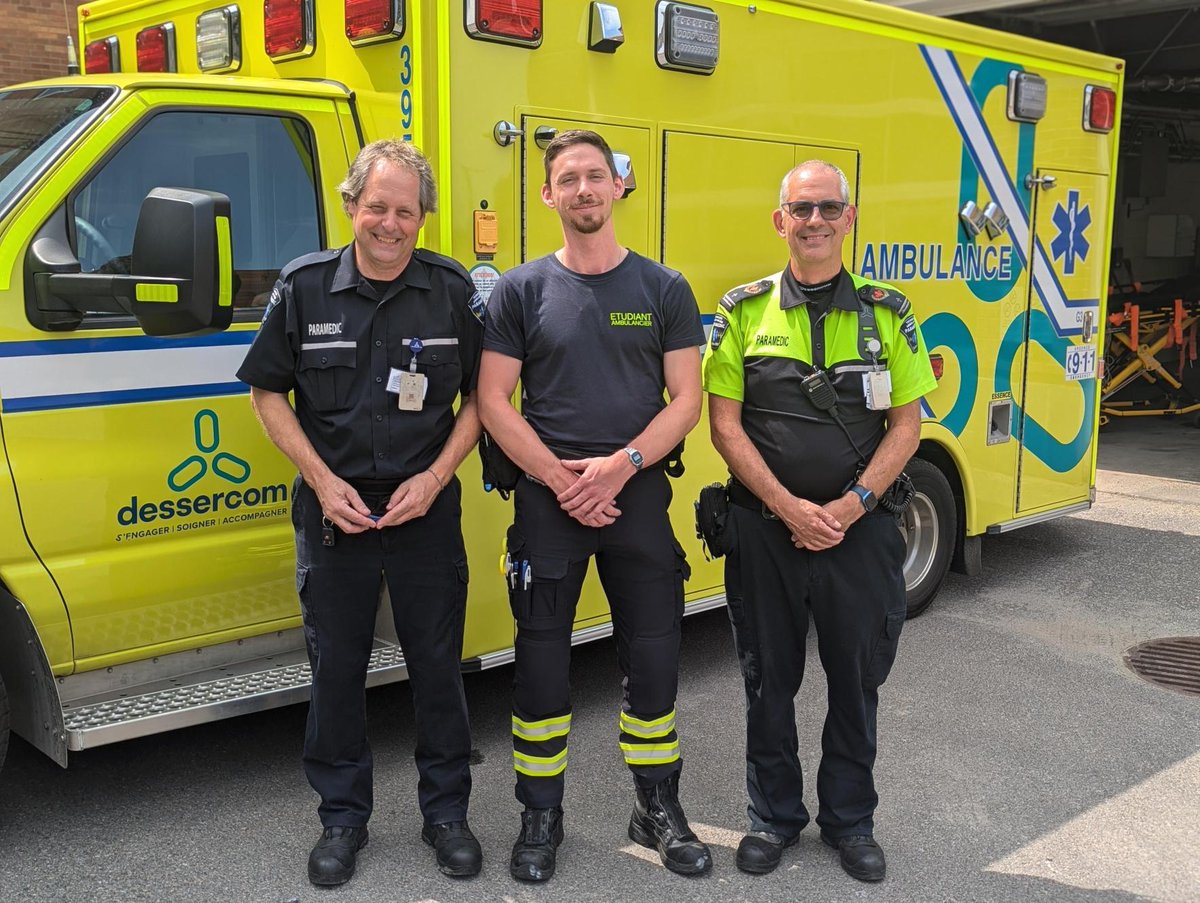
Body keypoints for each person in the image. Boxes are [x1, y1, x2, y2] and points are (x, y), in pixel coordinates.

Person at [237, 139, 485, 886]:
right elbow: (266, 392)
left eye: (405, 210)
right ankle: (342, 818)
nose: (389, 223)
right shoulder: (304, 287)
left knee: (438, 669)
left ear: (422, 218)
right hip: (333, 511)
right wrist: (319, 478)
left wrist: (438, 476)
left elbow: (483, 398)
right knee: (337, 672)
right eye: (376, 206)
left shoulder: (451, 290)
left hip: (424, 509)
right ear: (352, 205)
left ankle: (447, 814)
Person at [477, 129, 711, 883]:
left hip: (636, 498)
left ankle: (657, 807)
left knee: (654, 657)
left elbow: (687, 400)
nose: (583, 189)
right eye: (568, 179)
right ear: (548, 195)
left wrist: (620, 465)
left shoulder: (663, 288)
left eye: (596, 177)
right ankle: (539, 815)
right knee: (542, 668)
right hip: (548, 505)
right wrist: (560, 479)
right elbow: (492, 401)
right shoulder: (518, 290)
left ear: (619, 187)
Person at [703, 160, 936, 883]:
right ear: (780, 221)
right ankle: (771, 816)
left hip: (858, 534)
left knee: (855, 680)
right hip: (765, 532)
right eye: (800, 208)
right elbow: (724, 426)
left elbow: (907, 426)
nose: (814, 220)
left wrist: (850, 506)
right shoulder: (742, 311)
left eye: (827, 207)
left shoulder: (888, 313)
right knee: (767, 681)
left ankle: (849, 820)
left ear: (849, 217)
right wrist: (788, 507)